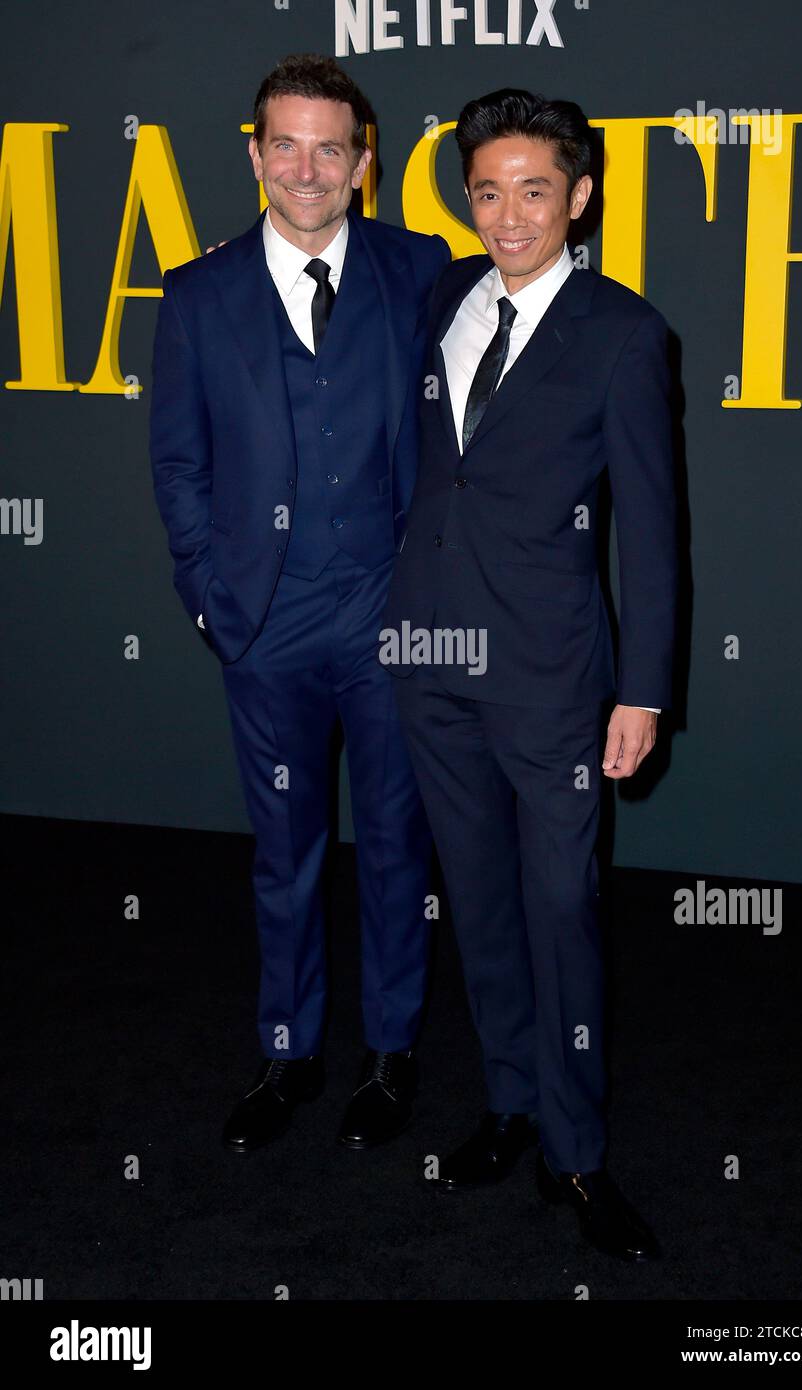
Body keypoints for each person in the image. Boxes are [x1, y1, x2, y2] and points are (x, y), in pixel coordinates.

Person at [381, 88, 678, 1260]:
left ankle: (577, 1150)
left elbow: (652, 530)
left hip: (553, 675)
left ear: (579, 195)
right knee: (482, 906)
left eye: (534, 190)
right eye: (488, 190)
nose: (508, 215)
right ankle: (509, 1106)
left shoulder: (623, 332)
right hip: (429, 658)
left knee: (562, 914)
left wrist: (642, 689)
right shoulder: (444, 296)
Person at [150, 53, 450, 1154]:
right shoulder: (194, 293)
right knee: (284, 851)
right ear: (254, 155)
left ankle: (390, 1051)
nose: (308, 167)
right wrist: (207, 595)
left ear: (363, 163)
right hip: (264, 624)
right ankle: (288, 1053)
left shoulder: (419, 270)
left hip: (387, 613)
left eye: (332, 147)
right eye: (286, 144)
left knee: (394, 844)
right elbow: (178, 465)